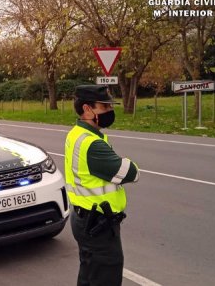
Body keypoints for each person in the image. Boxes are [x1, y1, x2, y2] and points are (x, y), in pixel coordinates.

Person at [65, 85, 140, 286]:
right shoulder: (92, 144)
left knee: (90, 274)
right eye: (104, 107)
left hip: (85, 217)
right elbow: (131, 173)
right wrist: (126, 162)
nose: (109, 111)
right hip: (97, 223)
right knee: (106, 276)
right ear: (88, 109)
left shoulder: (79, 134)